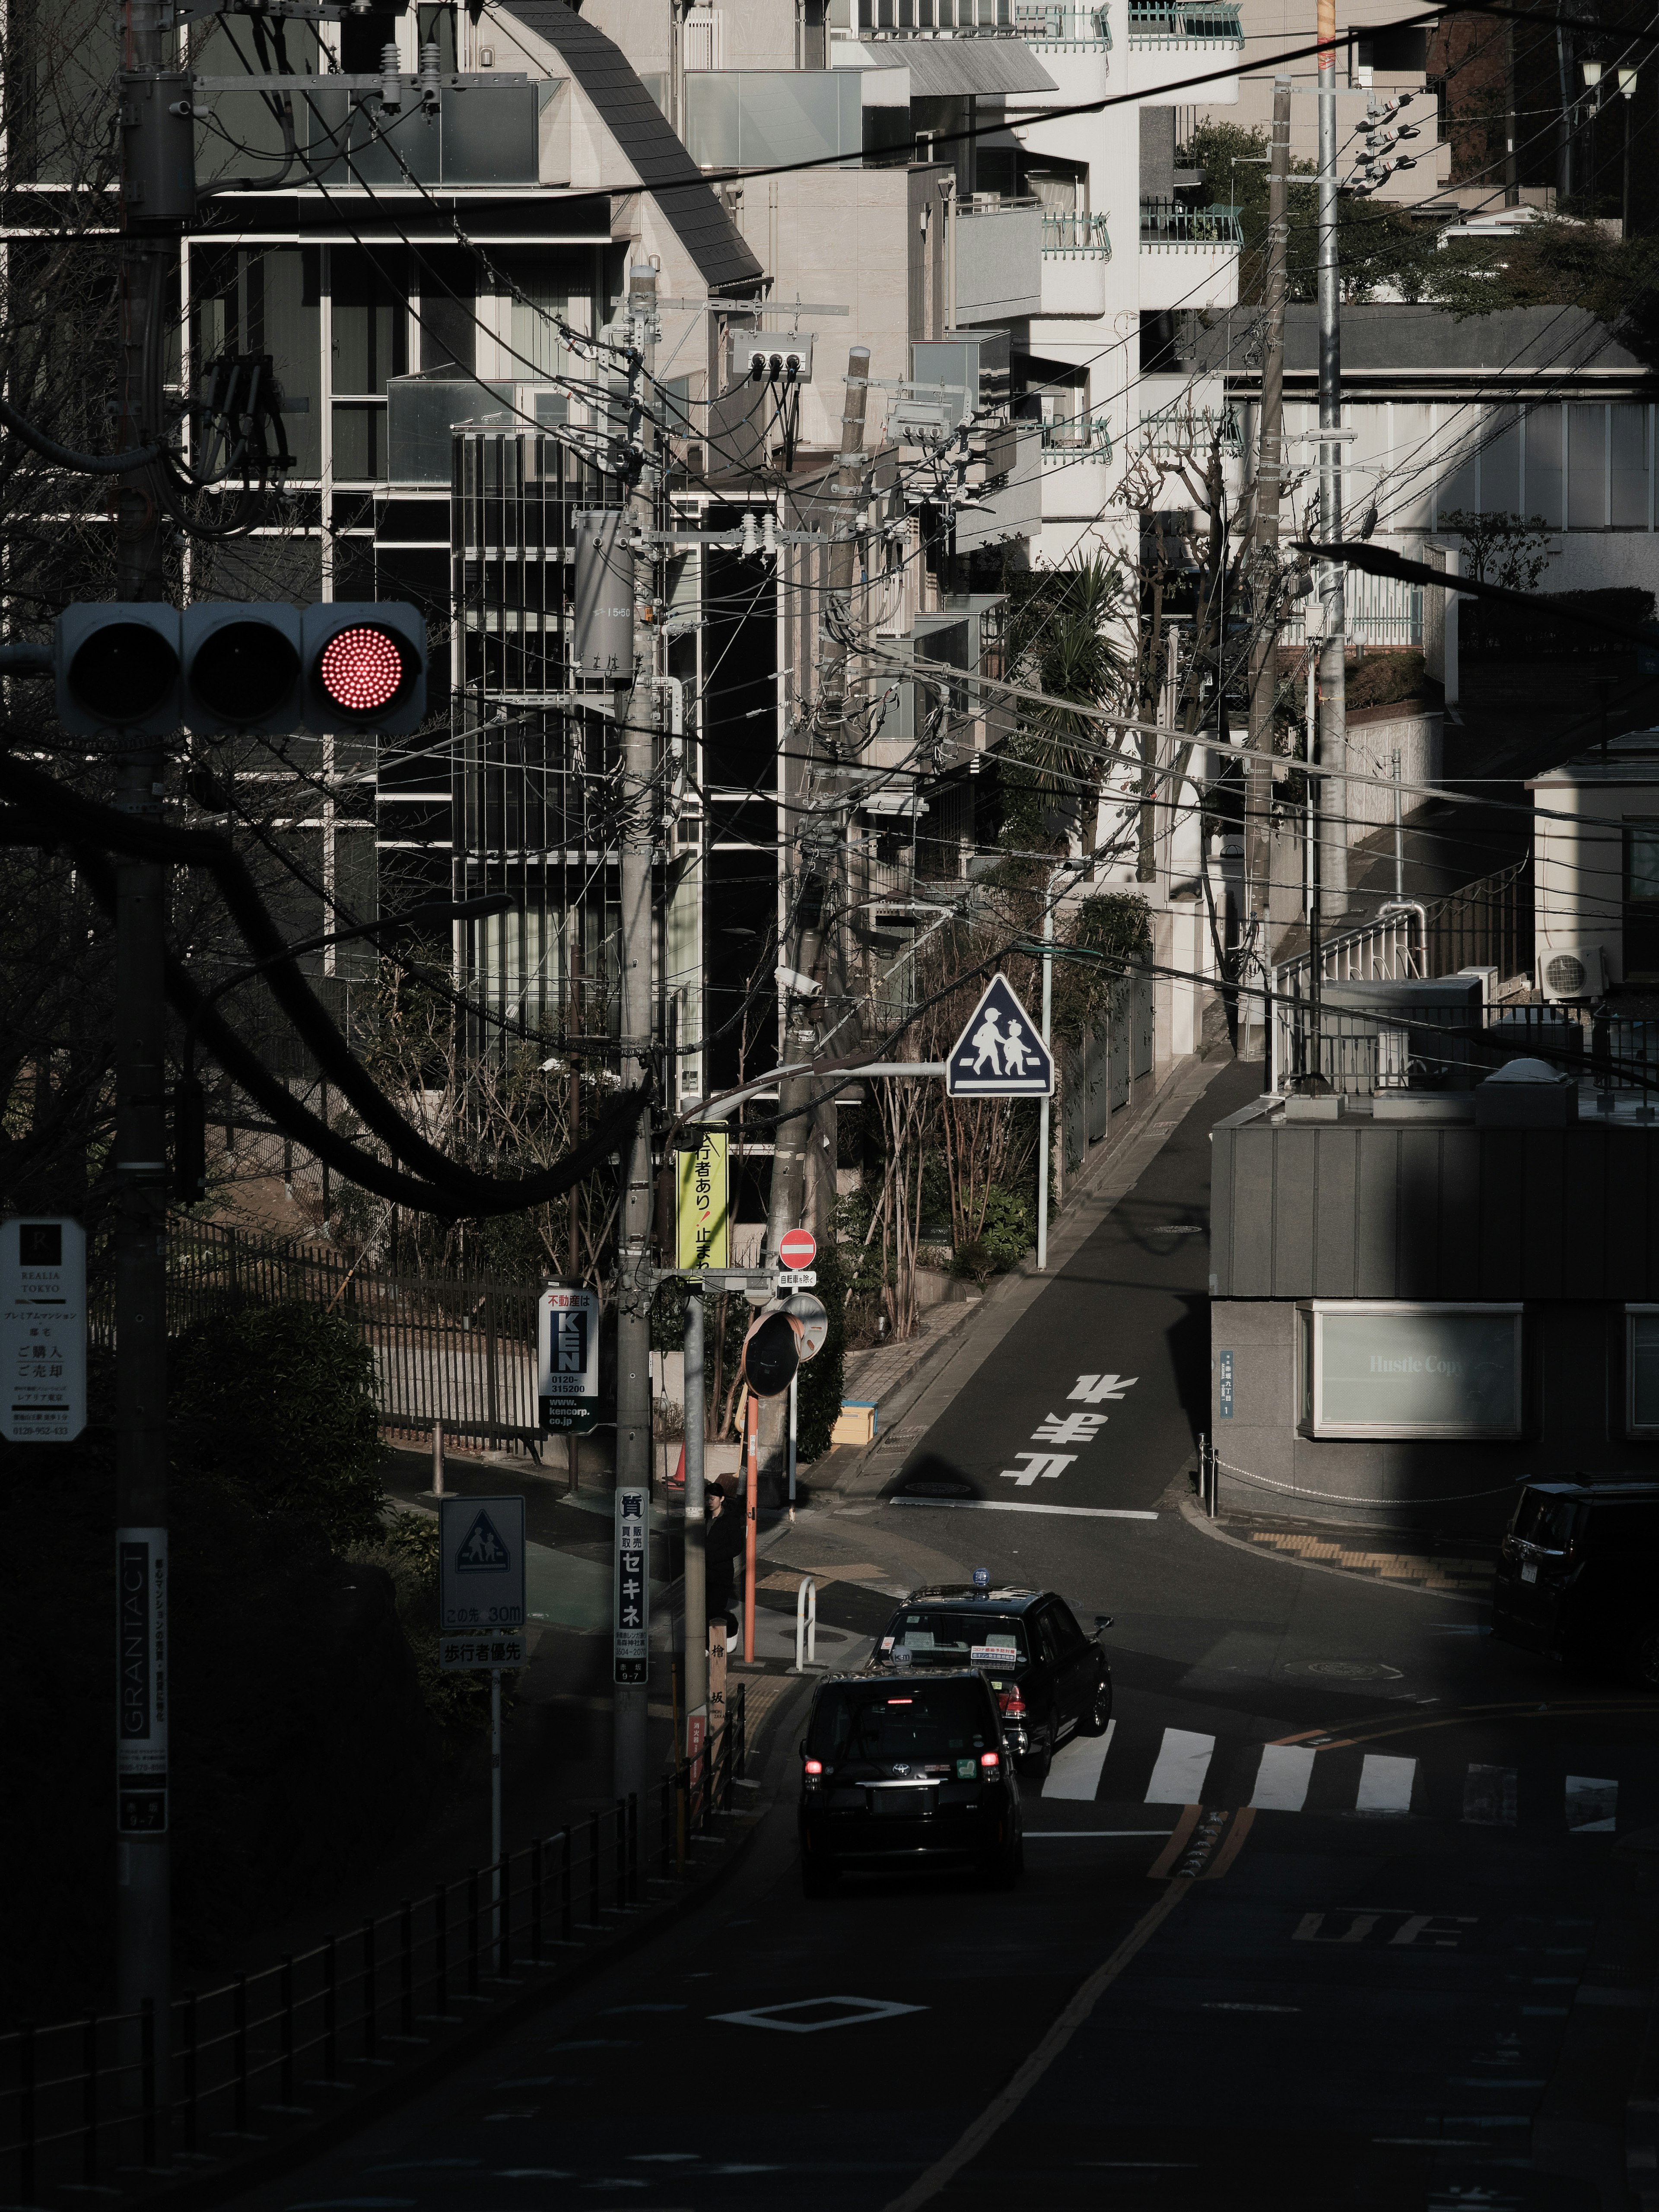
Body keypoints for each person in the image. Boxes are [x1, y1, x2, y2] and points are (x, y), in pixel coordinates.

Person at [703, 1471, 745, 1637]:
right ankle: (709, 1643)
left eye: (712, 1499)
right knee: (704, 1610)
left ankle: (732, 1625)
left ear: (721, 1499)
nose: (709, 1502)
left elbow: (737, 1547)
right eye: (707, 1498)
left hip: (721, 1573)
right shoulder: (703, 1518)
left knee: (715, 1608)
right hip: (704, 1572)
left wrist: (715, 1556)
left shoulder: (730, 1520)